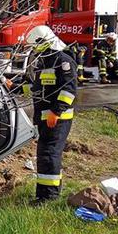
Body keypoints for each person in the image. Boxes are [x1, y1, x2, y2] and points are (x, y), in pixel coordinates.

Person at [24, 25, 77, 204]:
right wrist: (12, 86)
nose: (33, 50)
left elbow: (69, 90)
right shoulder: (44, 62)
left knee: (49, 154)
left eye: (35, 46)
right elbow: (38, 89)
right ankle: (44, 194)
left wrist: (56, 111)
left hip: (57, 119)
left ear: (43, 42)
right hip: (45, 118)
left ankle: (48, 198)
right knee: (45, 155)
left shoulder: (63, 61)